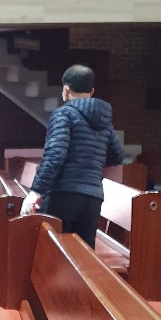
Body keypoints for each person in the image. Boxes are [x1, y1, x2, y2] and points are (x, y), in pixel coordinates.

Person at [20, 64, 124, 248]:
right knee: (84, 256)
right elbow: (117, 155)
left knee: (52, 253)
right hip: (92, 198)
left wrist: (35, 192)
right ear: (92, 91)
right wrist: (91, 162)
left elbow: (55, 155)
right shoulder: (104, 121)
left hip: (63, 194)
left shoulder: (64, 115)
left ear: (66, 90)